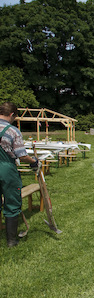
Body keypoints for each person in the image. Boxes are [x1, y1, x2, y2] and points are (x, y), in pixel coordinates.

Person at [0, 102, 39, 247]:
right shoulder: (13, 131)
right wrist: (33, 161)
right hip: (6, 169)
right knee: (12, 203)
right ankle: (11, 240)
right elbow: (21, 156)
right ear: (12, 115)